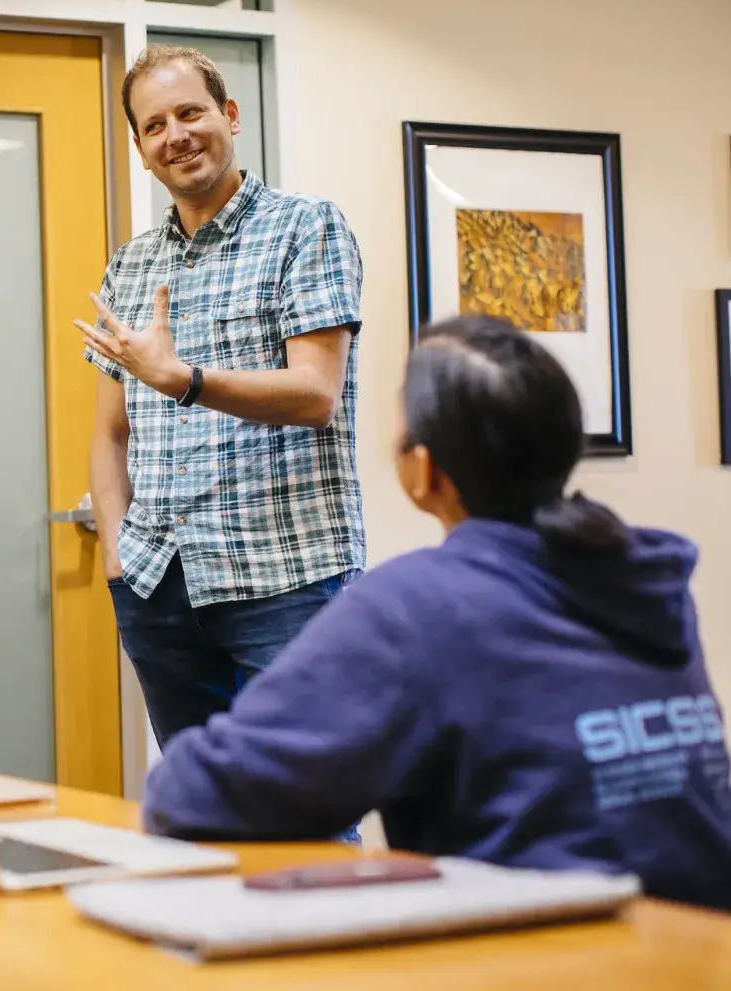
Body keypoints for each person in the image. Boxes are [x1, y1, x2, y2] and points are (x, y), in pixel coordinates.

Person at [143, 316, 731, 911]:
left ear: (423, 473)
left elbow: (194, 795)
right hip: (700, 951)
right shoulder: (642, 575)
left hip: (554, 958)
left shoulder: (420, 607)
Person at [76, 44, 366, 748]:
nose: (175, 135)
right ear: (142, 151)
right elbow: (110, 432)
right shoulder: (131, 263)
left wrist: (187, 380)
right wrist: (118, 553)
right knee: (200, 809)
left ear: (230, 115)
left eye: (189, 112)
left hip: (286, 579)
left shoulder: (306, 227)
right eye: (154, 126)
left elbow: (316, 391)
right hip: (159, 585)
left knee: (305, 808)